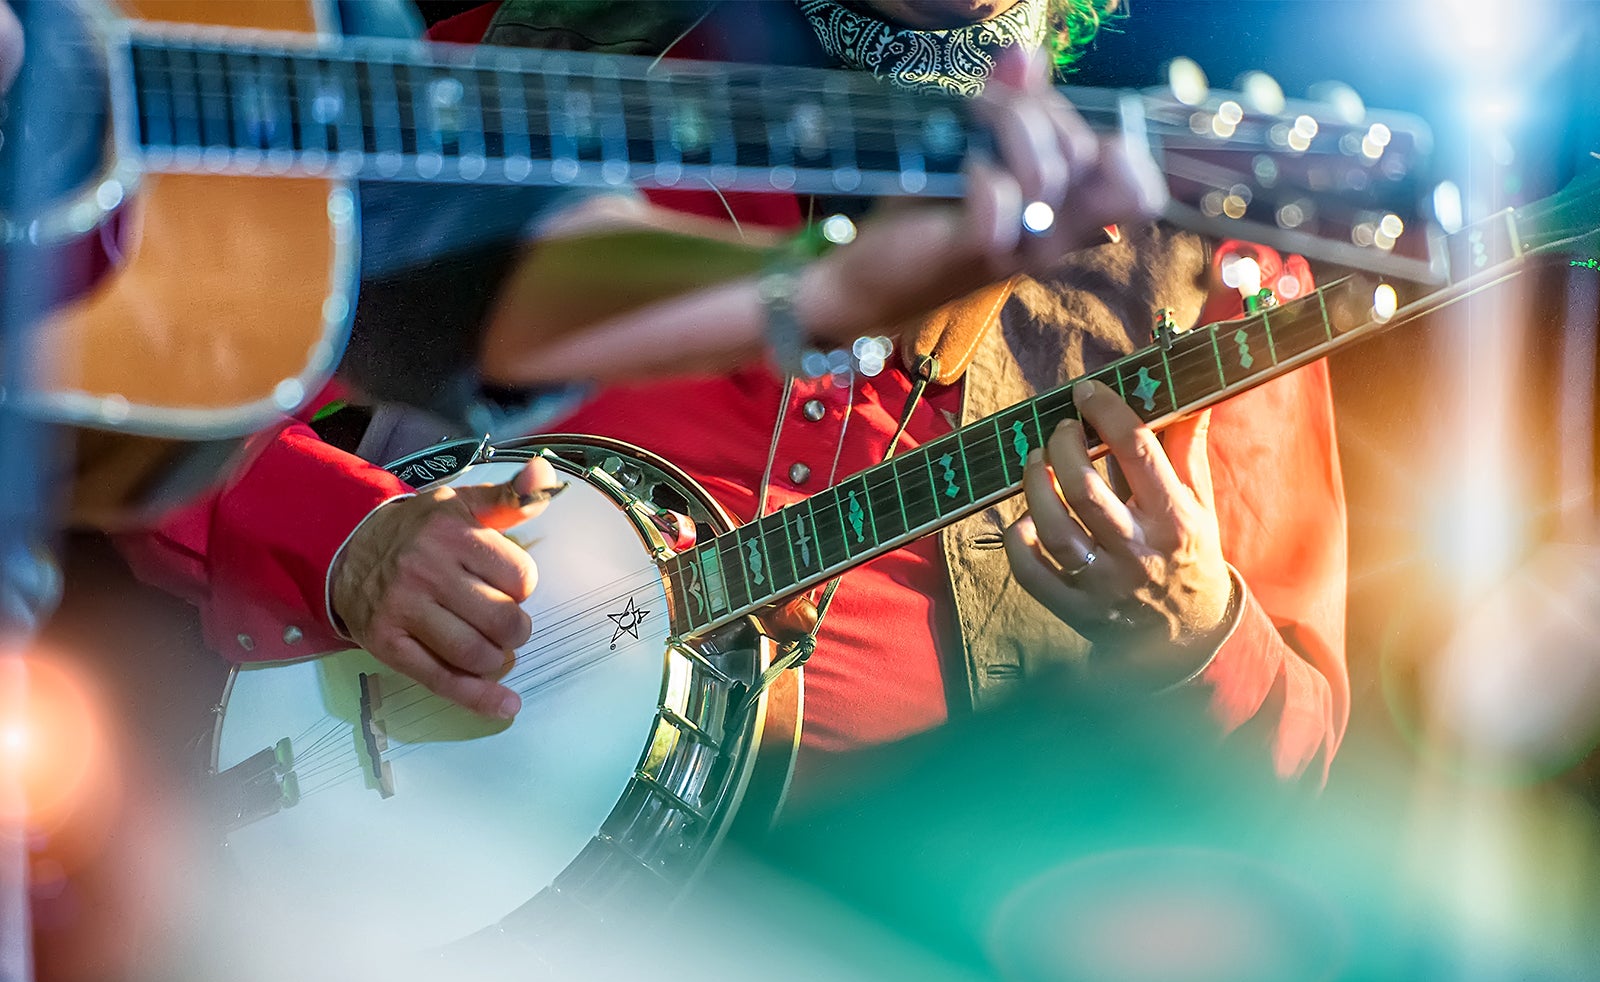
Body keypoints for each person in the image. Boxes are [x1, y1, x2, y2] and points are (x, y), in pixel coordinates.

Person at [123, 0, 1344, 790]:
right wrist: (346, 536)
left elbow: (1300, 757)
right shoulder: (526, 70)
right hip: (400, 871)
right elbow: (128, 363)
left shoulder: (1215, 263)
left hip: (863, 954)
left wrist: (1194, 632)